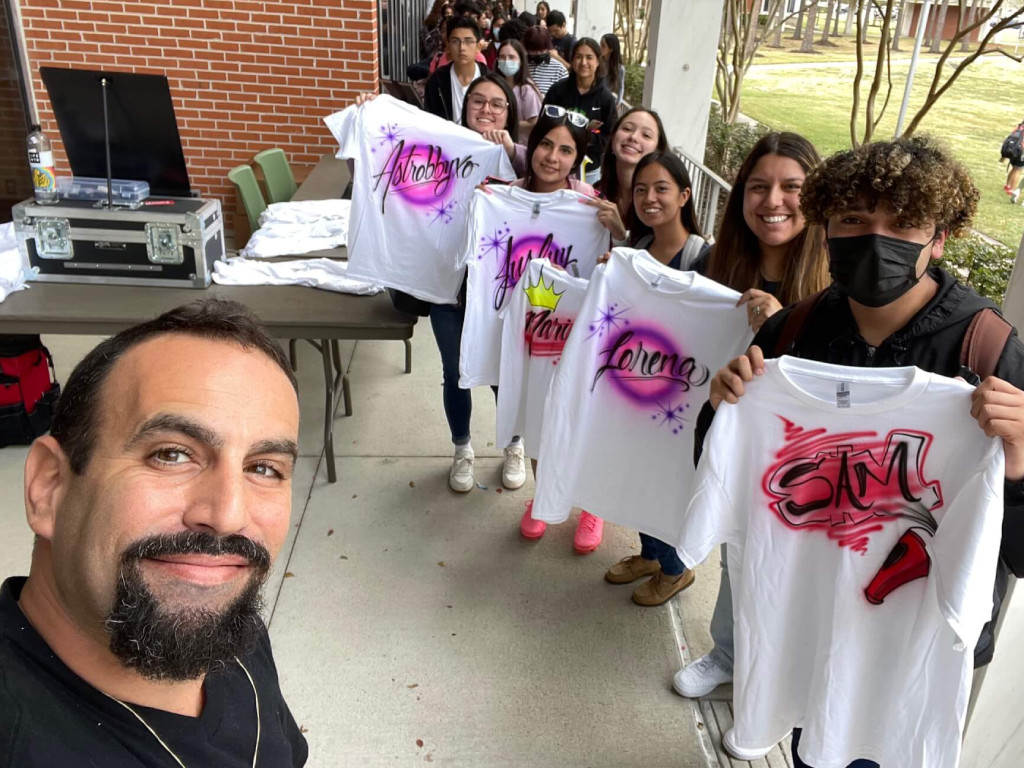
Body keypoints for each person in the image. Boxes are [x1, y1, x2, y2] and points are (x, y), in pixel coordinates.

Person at [694, 135, 1024, 766]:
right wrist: (721, 412)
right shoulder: (789, 334)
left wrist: (1022, 463)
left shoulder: (988, 354)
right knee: (809, 750)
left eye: (903, 223)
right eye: (853, 219)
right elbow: (719, 480)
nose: (876, 239)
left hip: (913, 644)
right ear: (826, 229)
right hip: (810, 620)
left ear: (940, 239)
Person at [0, 299, 308, 766]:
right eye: (171, 454)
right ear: (49, 488)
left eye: (263, 468)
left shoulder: (221, 616)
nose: (227, 516)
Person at [669, 131, 830, 701]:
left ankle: (785, 677)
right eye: (759, 187)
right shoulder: (721, 264)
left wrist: (785, 319)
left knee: (796, 569)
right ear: (740, 196)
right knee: (738, 553)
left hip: (807, 455)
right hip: (732, 437)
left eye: (792, 187)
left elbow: (845, 375)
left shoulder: (838, 282)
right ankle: (729, 655)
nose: (774, 201)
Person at [542, 38, 617, 186]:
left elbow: (610, 136)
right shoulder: (558, 90)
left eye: (589, 57)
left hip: (588, 170)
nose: (583, 62)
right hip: (555, 165)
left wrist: (587, 137)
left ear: (597, 61)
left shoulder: (605, 99)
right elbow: (543, 124)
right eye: (578, 57)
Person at [591, 106, 670, 245]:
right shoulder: (594, 195)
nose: (633, 137)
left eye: (646, 135)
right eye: (627, 129)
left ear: (657, 149)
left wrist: (620, 237)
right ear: (613, 136)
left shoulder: (661, 202)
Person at [425, 16, 489, 122]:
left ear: (478, 47)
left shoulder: (489, 79)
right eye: (455, 42)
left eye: (468, 41)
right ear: (448, 46)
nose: (462, 48)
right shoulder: (437, 81)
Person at [496, 38, 543, 136]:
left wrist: (506, 123)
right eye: (502, 57)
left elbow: (533, 122)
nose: (506, 61)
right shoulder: (495, 85)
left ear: (521, 61)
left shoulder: (526, 90)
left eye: (511, 57)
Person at [523, 25, 568, 97]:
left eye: (541, 50)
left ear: (547, 48)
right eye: (533, 50)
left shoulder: (559, 70)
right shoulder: (521, 66)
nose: (537, 53)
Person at [600, 33, 625, 105]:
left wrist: (618, 102)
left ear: (610, 49)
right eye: (600, 44)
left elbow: (621, 87)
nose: (600, 47)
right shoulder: (597, 62)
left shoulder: (619, 68)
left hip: (606, 101)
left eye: (603, 46)